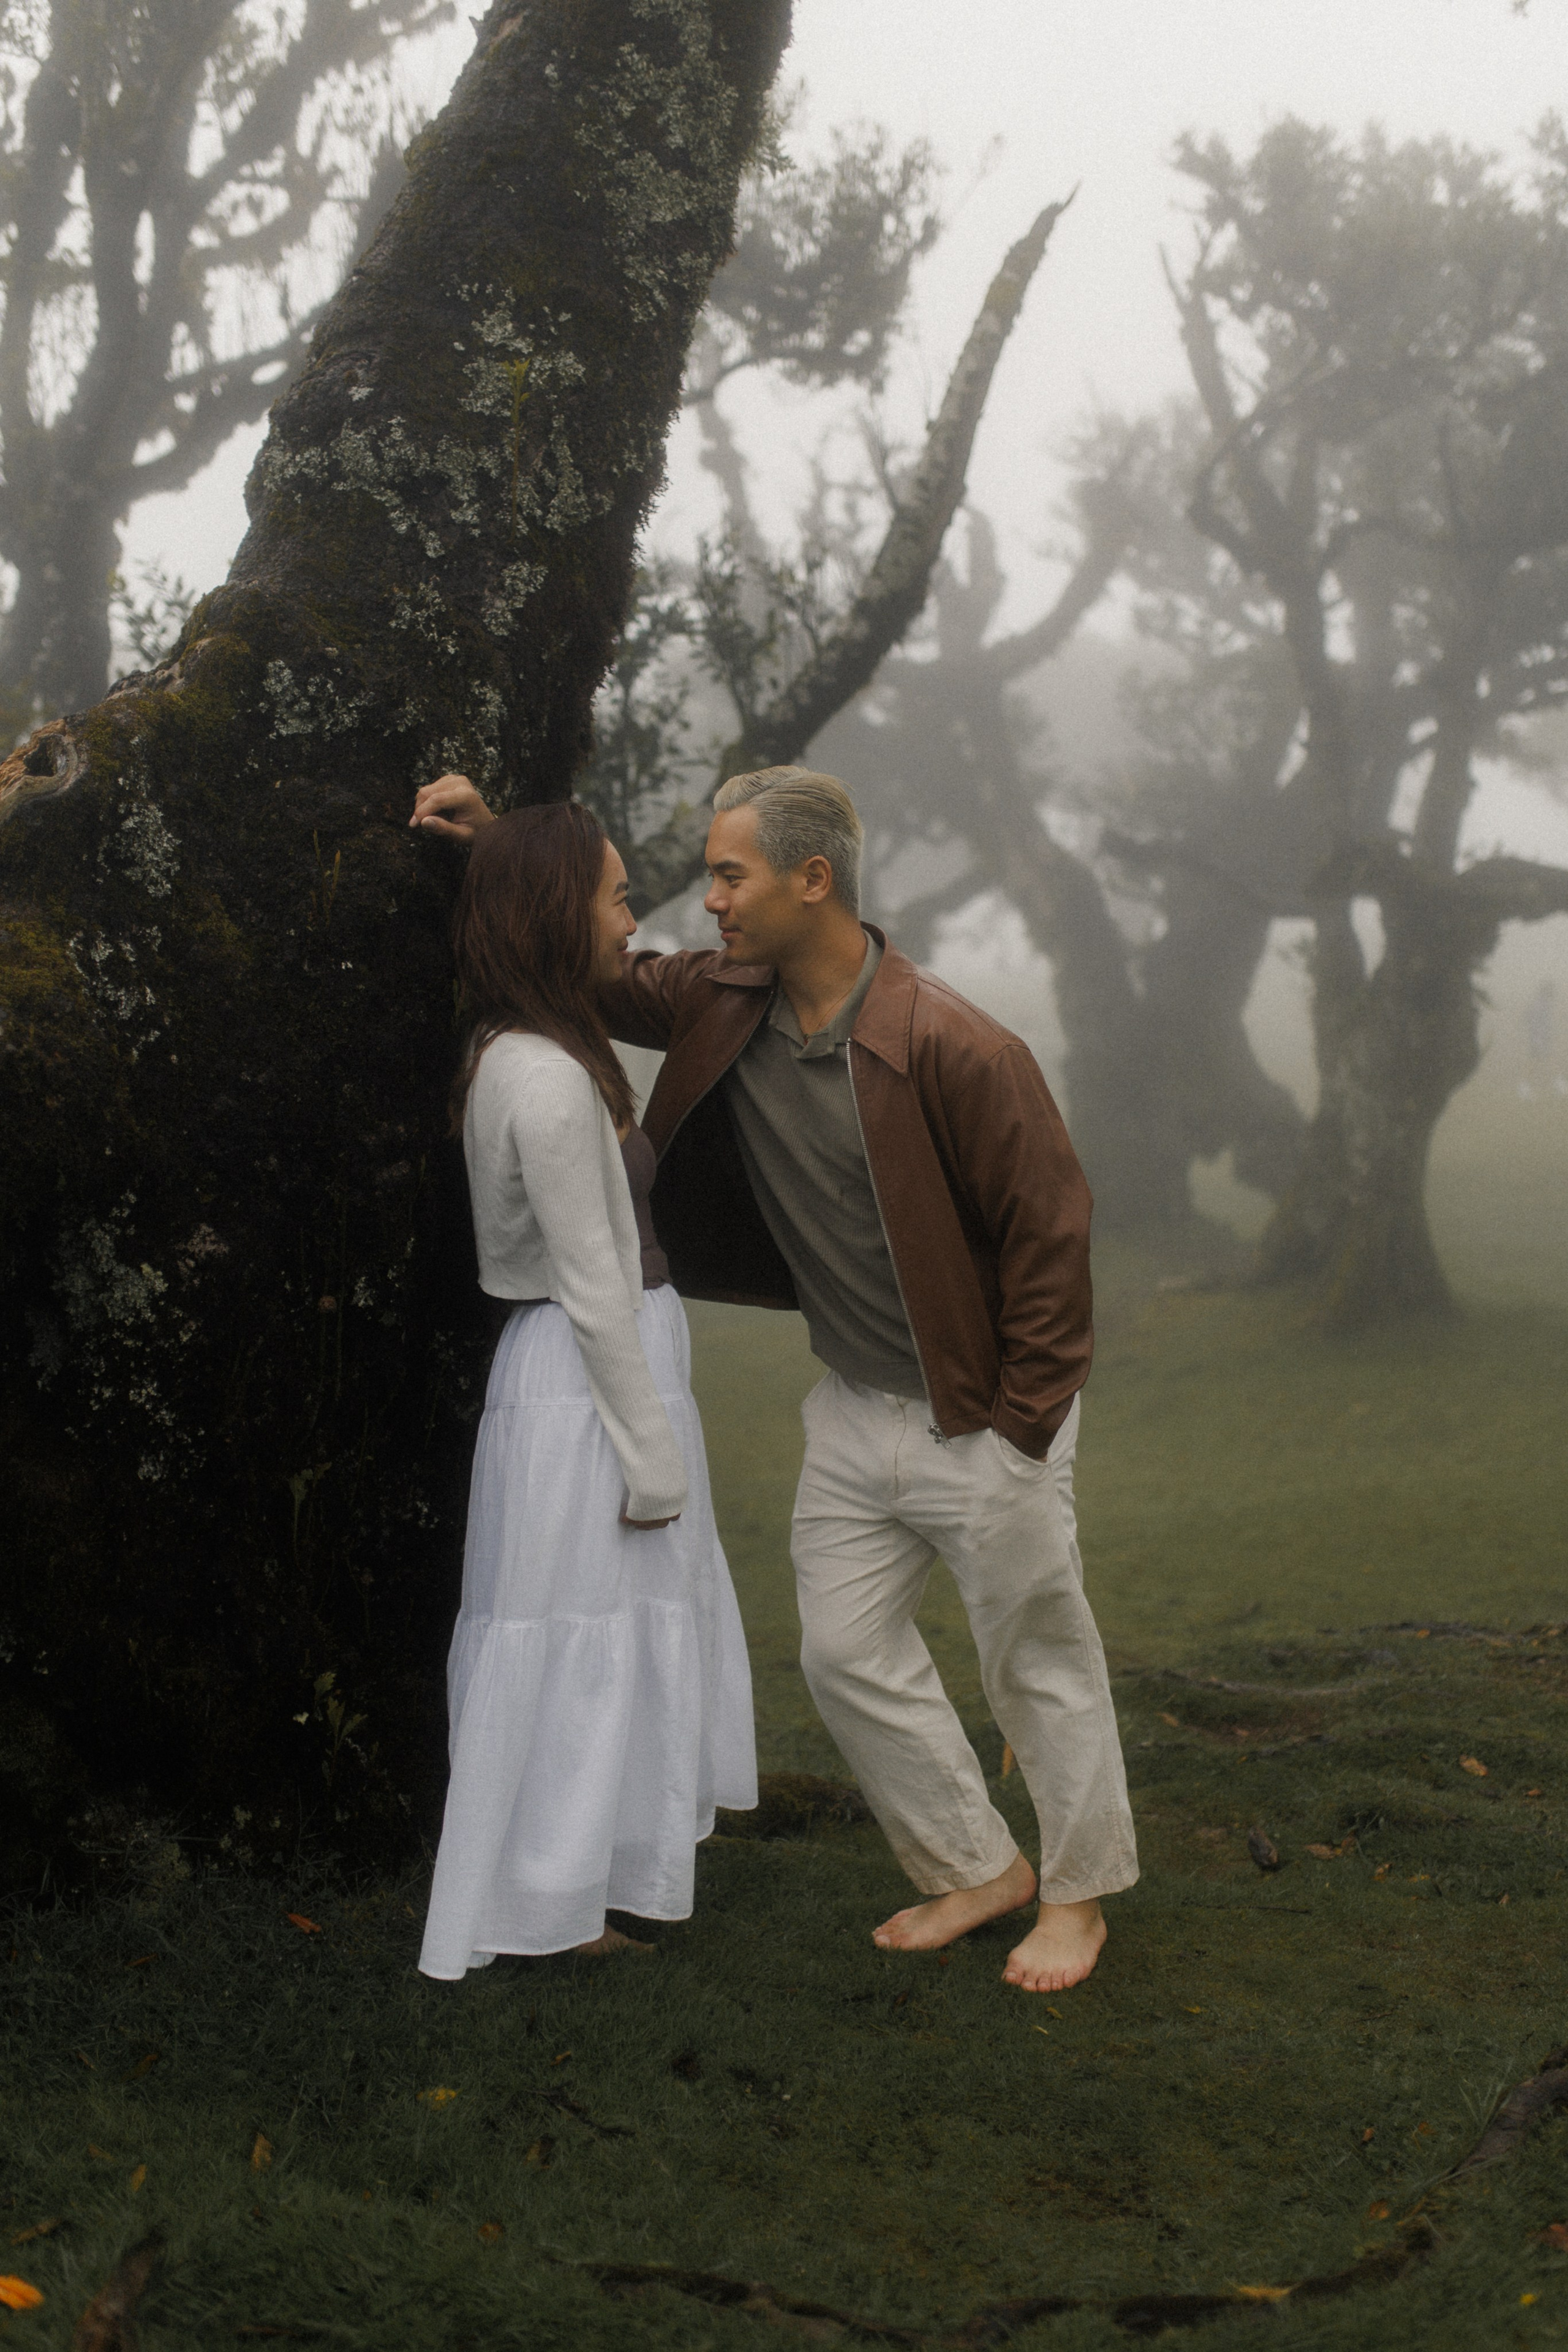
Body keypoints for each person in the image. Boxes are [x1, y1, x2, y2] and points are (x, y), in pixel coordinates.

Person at [411, 767, 1137, 1995]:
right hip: (851, 1408)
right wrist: (494, 849)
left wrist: (1021, 1426)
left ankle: (1074, 1897)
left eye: (729, 874)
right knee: (842, 1654)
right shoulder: (719, 1001)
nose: (709, 901)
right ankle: (973, 1866)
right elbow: (581, 960)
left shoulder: (954, 1042)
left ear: (815, 880)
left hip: (980, 1419)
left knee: (1035, 1661)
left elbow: (1048, 1240)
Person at [415, 801, 756, 1980]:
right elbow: (595, 1284)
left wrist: (496, 826)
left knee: (603, 1628)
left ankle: (592, 1880)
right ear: (563, 910)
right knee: (570, 1636)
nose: (632, 918)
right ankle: (543, 1897)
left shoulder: (546, 1047)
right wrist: (653, 1457)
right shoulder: (546, 1080)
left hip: (600, 1372)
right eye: (615, 896)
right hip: (585, 1381)